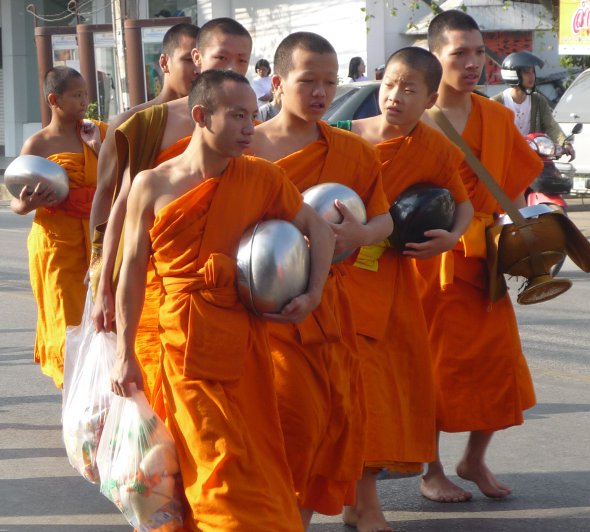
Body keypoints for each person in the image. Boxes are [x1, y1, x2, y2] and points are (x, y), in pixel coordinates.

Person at [110, 68, 335, 531]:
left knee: (252, 453)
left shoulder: (261, 178)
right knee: (212, 463)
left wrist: (313, 292)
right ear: (200, 115)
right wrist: (123, 352)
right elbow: (130, 271)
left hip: (243, 343)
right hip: (181, 345)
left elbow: (317, 229)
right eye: (236, 116)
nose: (250, 128)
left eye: (253, 116)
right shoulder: (152, 184)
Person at [248, 32, 393, 528]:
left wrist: (360, 232)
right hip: (262, 311)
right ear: (277, 82)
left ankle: (297, 521)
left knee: (326, 422)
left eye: (329, 82)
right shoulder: (245, 148)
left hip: (328, 306)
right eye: (308, 80)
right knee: (285, 421)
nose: (320, 93)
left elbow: (384, 219)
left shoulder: (352, 151)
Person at [335, 47, 474, 532]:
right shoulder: (345, 139)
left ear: (430, 98)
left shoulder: (432, 148)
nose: (394, 96)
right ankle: (362, 505)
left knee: (389, 392)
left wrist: (451, 238)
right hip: (341, 278)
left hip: (392, 283)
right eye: (390, 84)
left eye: (410, 89)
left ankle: (359, 500)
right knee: (353, 391)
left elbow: (463, 204)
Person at [413, 10, 543, 503]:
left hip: (483, 260)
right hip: (429, 260)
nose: (473, 63)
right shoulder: (416, 121)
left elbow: (514, 178)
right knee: (431, 369)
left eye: (478, 53)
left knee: (499, 362)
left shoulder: (496, 116)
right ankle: (431, 470)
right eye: (459, 53)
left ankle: (474, 459)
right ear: (434, 58)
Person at [91, 18, 253, 407]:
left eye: (242, 60)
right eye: (222, 57)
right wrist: (102, 281)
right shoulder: (152, 123)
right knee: (156, 407)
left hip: (227, 288)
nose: (232, 68)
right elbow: (121, 208)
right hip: (158, 286)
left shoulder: (248, 125)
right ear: (198, 58)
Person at [11, 66, 107, 388]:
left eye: (85, 94)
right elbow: (16, 200)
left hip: (97, 242)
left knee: (102, 323)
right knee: (66, 325)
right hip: (56, 245)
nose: (84, 101)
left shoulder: (96, 133)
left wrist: (98, 149)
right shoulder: (38, 144)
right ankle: (75, 399)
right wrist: (27, 204)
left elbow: (121, 176)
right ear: (54, 100)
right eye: (76, 95)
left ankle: (99, 400)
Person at [89, 22, 200, 292]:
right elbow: (106, 194)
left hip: (195, 264)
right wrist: (99, 265)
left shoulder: (215, 125)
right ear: (164, 62)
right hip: (139, 261)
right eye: (188, 59)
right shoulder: (133, 123)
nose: (197, 69)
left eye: (201, 59)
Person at [491, 51, 575, 159]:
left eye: (532, 72)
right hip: (505, 160)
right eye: (526, 72)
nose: (531, 76)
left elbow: (551, 126)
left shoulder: (538, 100)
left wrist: (565, 143)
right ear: (513, 75)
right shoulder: (496, 103)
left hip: (533, 159)